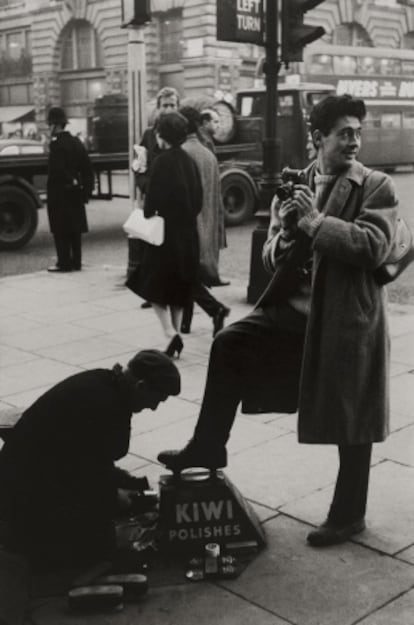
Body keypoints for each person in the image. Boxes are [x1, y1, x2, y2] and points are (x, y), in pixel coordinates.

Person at [158, 94, 400, 547]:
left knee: (351, 418)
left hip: (346, 321)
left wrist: (312, 222)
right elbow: (271, 256)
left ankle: (349, 514)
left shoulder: (375, 186)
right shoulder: (298, 182)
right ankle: (208, 445)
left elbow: (372, 247)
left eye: (357, 133)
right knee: (229, 343)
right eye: (344, 133)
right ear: (317, 138)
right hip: (295, 315)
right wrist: (288, 232)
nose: (354, 141)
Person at [0, 350, 180, 567]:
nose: (153, 407)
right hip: (26, 496)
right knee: (103, 545)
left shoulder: (104, 382)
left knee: (124, 500)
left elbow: (88, 457)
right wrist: (110, 495)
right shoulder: (105, 403)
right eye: (156, 399)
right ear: (141, 386)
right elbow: (79, 469)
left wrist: (124, 484)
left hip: (34, 475)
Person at [126, 112, 203, 358]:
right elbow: (198, 201)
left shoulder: (162, 162)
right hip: (188, 235)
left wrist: (142, 179)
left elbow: (151, 207)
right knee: (178, 288)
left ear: (163, 135)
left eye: (158, 133)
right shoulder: (189, 161)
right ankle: (176, 334)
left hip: (165, 237)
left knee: (151, 285)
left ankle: (170, 334)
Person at [179, 105, 230, 336]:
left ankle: (215, 309)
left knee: (183, 275)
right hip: (205, 224)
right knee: (188, 274)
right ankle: (185, 323)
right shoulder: (208, 154)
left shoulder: (182, 153)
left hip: (187, 226)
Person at [133, 87, 180, 309]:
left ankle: (170, 294)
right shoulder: (148, 135)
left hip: (174, 202)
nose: (169, 109)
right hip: (153, 199)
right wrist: (146, 188)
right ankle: (153, 295)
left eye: (172, 105)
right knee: (151, 248)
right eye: (165, 105)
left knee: (172, 249)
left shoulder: (182, 134)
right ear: (158, 108)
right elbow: (139, 167)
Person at [46, 106, 94, 272]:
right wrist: (85, 190)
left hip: (59, 194)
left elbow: (56, 171)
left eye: (50, 125)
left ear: (54, 125)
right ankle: (77, 262)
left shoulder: (56, 145)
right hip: (75, 193)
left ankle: (64, 263)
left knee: (60, 230)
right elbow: (87, 168)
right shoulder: (76, 142)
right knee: (75, 229)